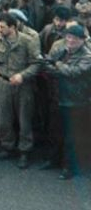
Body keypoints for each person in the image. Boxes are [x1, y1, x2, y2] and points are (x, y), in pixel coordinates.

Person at [0, 12, 41, 169]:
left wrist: (23, 75)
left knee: (24, 119)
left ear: (12, 27)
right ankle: (7, 147)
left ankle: (24, 151)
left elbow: (37, 63)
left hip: (23, 86)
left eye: (2, 27)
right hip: (3, 83)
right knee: (3, 119)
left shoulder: (27, 41)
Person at [41, 24, 91, 179]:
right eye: (68, 37)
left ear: (83, 40)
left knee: (72, 137)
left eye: (75, 38)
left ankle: (68, 167)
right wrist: (58, 68)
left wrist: (57, 65)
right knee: (55, 132)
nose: (70, 40)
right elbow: (46, 65)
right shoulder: (61, 50)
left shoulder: (87, 57)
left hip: (76, 101)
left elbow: (73, 73)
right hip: (58, 97)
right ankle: (53, 160)